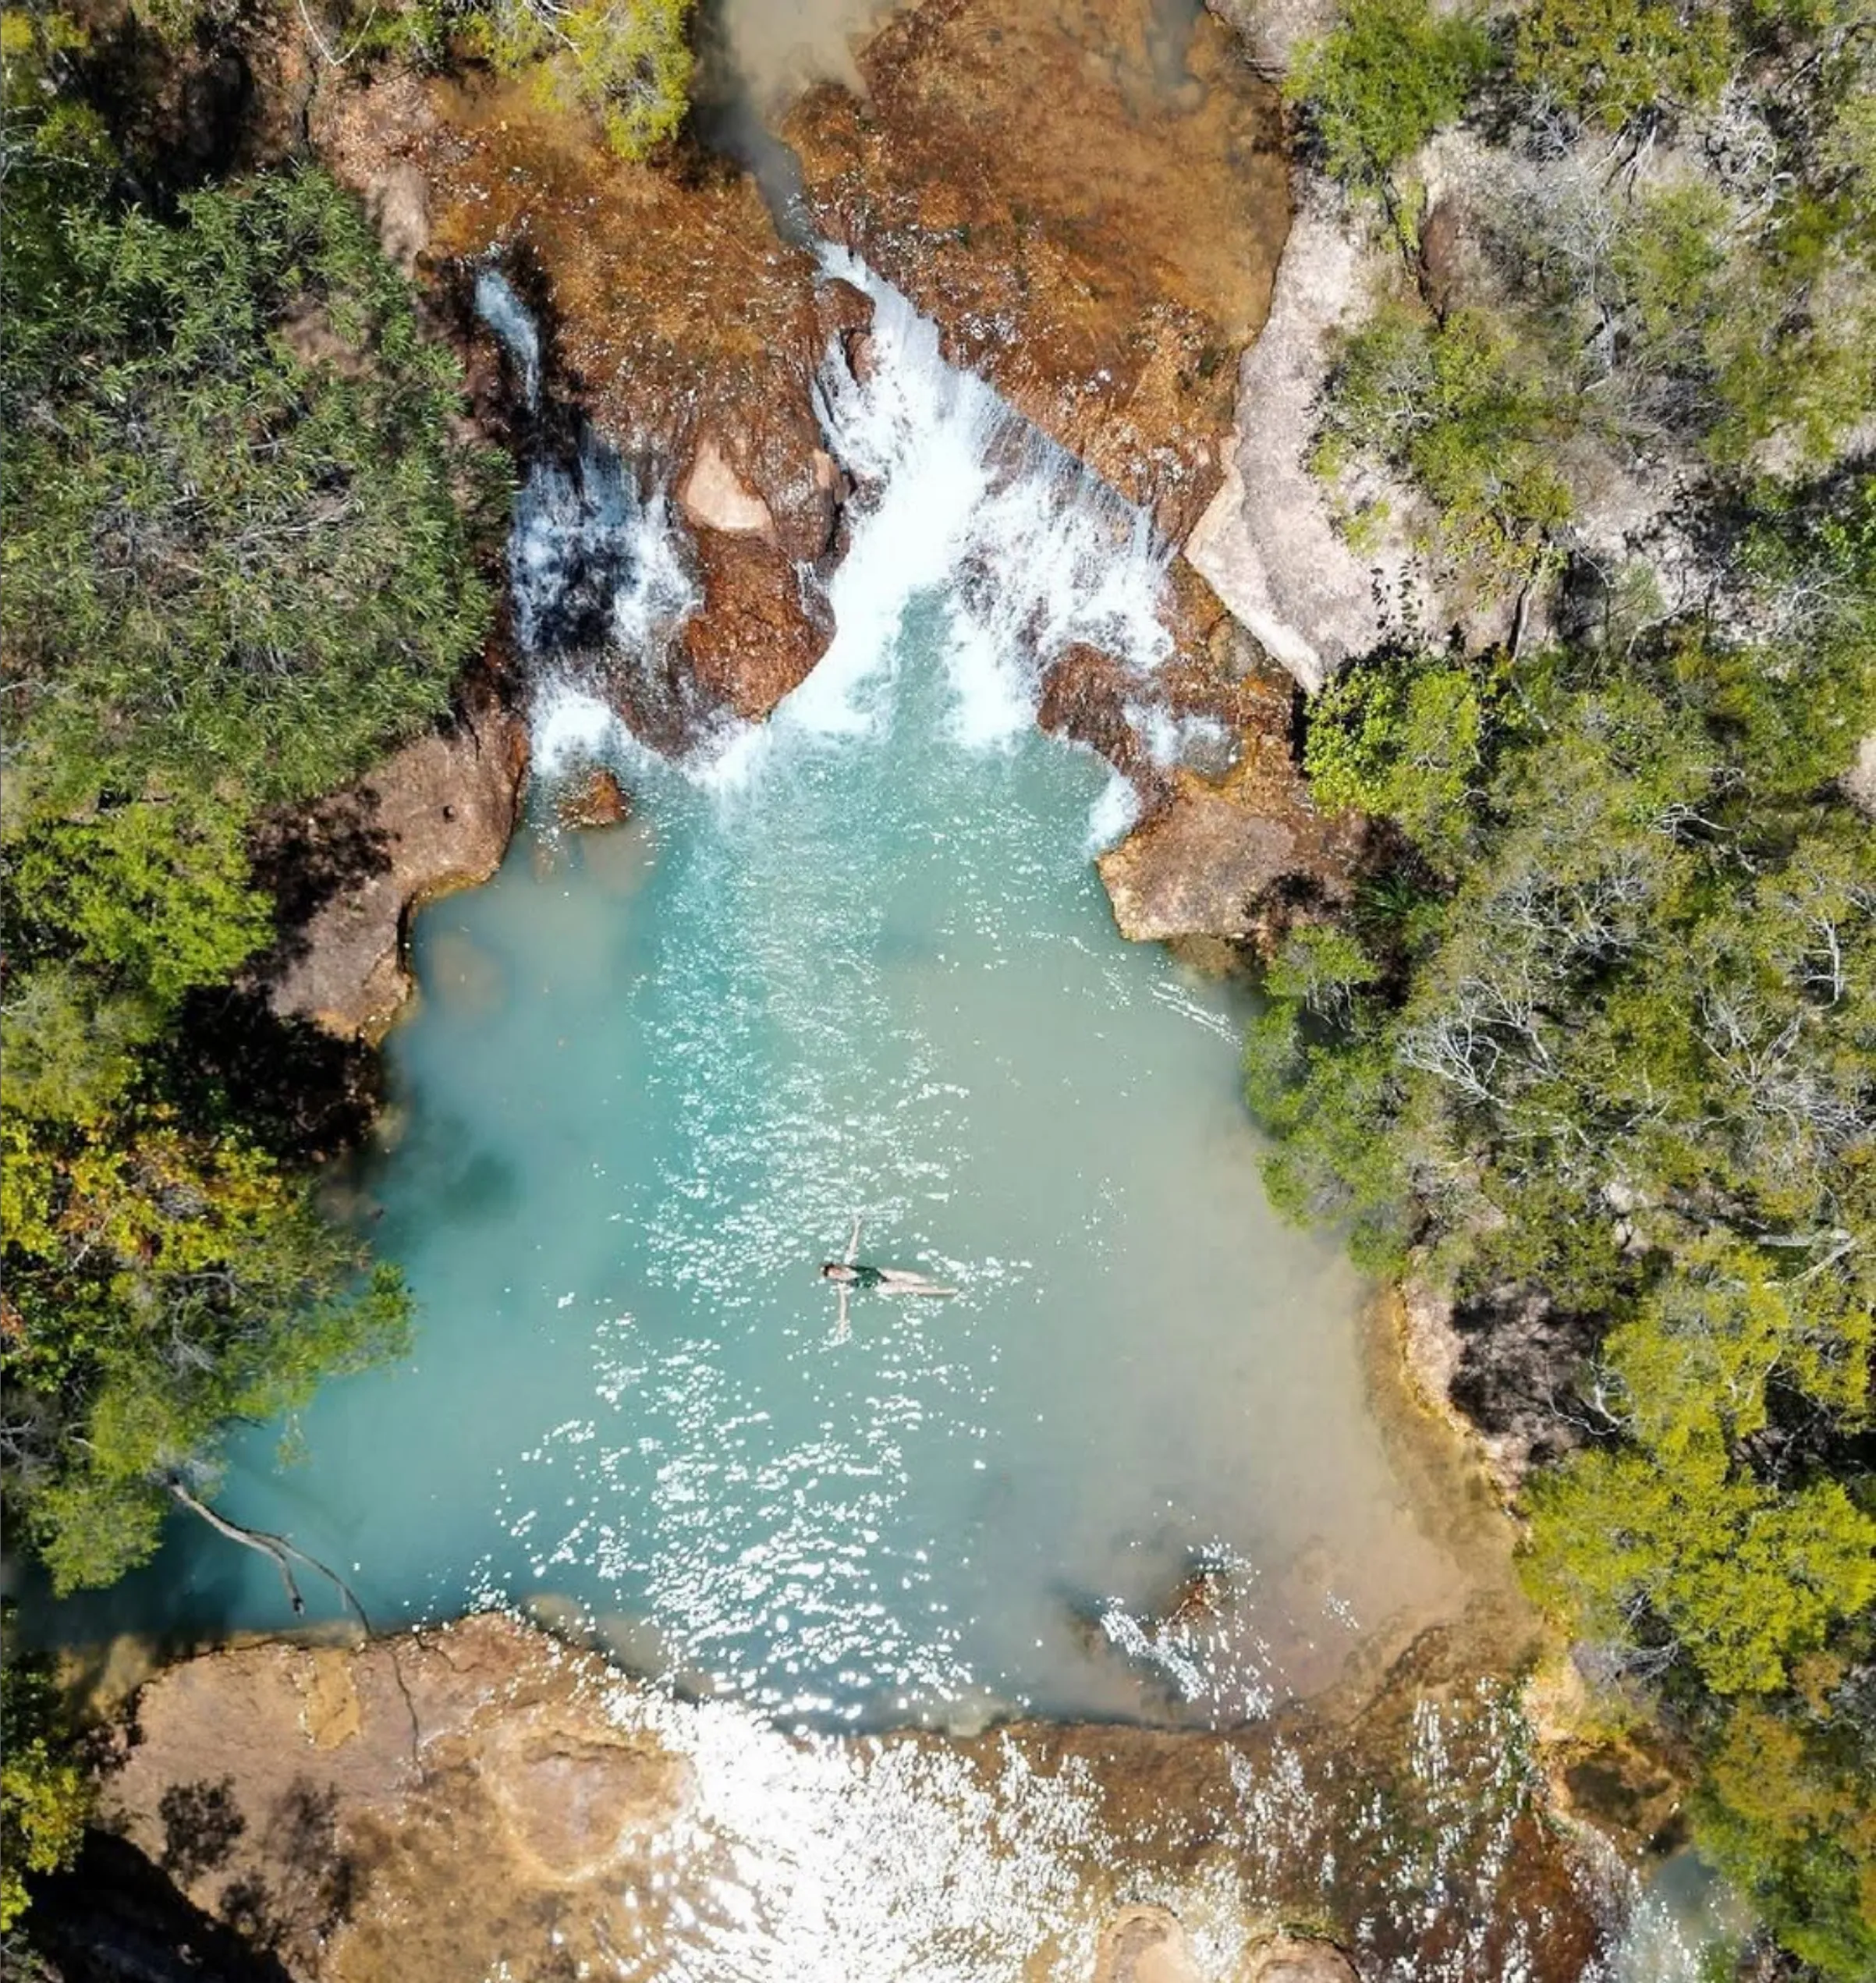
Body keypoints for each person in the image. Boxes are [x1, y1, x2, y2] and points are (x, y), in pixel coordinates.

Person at [821, 1217, 957, 1341]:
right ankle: (946, 1291)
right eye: (832, 1275)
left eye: (833, 1270)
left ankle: (938, 1281)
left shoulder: (847, 1264)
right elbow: (843, 1305)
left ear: (835, 1267)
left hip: (879, 1272)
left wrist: (857, 1227)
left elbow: (853, 1246)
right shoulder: (842, 1285)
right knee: (908, 1287)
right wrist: (842, 1326)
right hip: (879, 1286)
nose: (835, 1273)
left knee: (912, 1277)